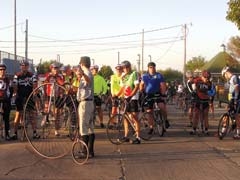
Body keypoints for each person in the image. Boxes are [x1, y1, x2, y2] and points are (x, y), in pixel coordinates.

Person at [11, 60, 39, 140]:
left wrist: (34, 92)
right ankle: (15, 133)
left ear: (28, 67)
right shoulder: (17, 75)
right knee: (18, 114)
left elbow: (35, 84)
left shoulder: (32, 75)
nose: (24, 67)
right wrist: (15, 93)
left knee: (32, 115)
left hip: (29, 97)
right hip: (20, 97)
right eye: (23, 65)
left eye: (26, 65)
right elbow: (15, 85)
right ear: (20, 66)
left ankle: (34, 133)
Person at [115, 60, 141, 144]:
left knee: (134, 117)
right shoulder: (123, 76)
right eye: (124, 68)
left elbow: (136, 87)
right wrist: (116, 95)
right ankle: (126, 136)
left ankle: (138, 137)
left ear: (130, 67)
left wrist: (130, 96)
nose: (125, 69)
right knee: (125, 117)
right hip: (125, 98)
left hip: (133, 98)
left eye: (127, 67)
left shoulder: (134, 74)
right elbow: (123, 88)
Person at [139, 62, 167, 134]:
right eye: (151, 67)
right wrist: (141, 90)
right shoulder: (144, 76)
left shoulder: (159, 75)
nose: (152, 68)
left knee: (162, 107)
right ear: (148, 68)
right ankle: (151, 127)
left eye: (153, 67)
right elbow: (141, 84)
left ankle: (165, 120)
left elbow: (163, 85)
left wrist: (163, 94)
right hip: (148, 94)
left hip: (157, 93)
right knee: (149, 111)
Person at [77, 56, 95, 157]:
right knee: (90, 128)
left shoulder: (87, 73)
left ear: (82, 64)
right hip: (90, 103)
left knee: (84, 128)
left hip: (85, 103)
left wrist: (82, 74)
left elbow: (87, 82)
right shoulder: (89, 73)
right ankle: (90, 151)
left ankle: (85, 152)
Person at [42, 62, 65, 136]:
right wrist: (44, 94)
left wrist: (61, 93)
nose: (56, 70)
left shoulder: (60, 76)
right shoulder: (48, 75)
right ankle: (45, 119)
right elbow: (44, 84)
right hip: (49, 95)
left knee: (57, 114)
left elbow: (62, 84)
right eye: (54, 68)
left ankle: (56, 130)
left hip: (57, 96)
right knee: (46, 111)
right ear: (51, 69)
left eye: (57, 68)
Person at [190, 70, 212, 135]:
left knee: (206, 115)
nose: (206, 79)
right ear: (202, 76)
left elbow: (210, 91)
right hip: (198, 100)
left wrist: (210, 98)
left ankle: (206, 130)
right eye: (205, 78)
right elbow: (192, 86)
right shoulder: (197, 80)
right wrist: (193, 93)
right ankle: (194, 129)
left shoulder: (209, 83)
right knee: (196, 115)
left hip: (205, 101)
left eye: (208, 78)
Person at [221, 66, 240, 139]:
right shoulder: (232, 79)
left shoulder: (234, 78)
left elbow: (237, 87)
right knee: (230, 114)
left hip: (236, 99)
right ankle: (223, 131)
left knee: (237, 116)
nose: (225, 77)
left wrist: (235, 99)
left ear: (225, 73)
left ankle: (238, 133)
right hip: (232, 99)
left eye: (224, 75)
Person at [0, 63, 12, 140]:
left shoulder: (8, 80)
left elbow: (10, 90)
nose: (2, 71)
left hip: (6, 101)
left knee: (6, 118)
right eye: (0, 70)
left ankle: (7, 134)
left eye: (3, 69)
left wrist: (9, 98)